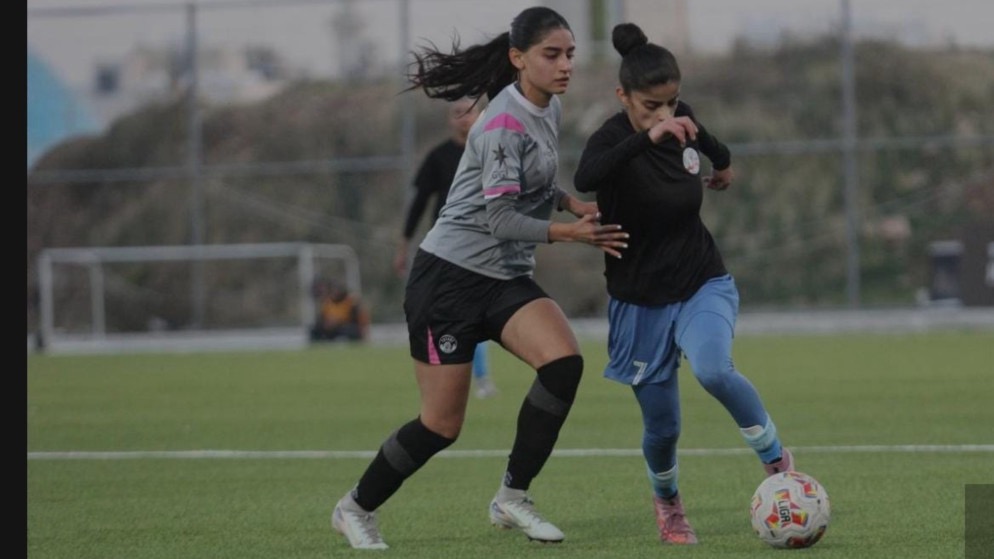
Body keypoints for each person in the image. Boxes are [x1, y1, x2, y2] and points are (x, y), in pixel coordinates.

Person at [331, 6, 629, 550]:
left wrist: (570, 203)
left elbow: (534, 179)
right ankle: (355, 507)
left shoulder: (550, 106)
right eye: (552, 54)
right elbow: (501, 220)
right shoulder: (501, 124)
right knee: (440, 426)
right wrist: (569, 233)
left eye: (569, 54)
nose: (566, 64)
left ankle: (512, 498)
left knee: (563, 364)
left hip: (502, 278)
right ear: (519, 58)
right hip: (447, 281)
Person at [573, 23, 794, 546]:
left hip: (701, 280)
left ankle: (778, 464)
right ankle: (668, 502)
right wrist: (645, 138)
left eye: (671, 103)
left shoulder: (683, 120)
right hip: (639, 301)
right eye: (651, 106)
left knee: (714, 370)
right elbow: (586, 177)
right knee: (663, 427)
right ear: (623, 96)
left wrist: (724, 167)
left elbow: (716, 146)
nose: (665, 115)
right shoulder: (611, 140)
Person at [393, 97, 498, 399]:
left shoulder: (492, 152)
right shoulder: (438, 157)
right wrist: (403, 244)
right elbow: (419, 203)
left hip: (487, 246)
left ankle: (479, 378)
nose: (464, 118)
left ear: (480, 115)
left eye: (469, 112)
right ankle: (461, 379)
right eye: (457, 113)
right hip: (448, 251)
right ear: (449, 120)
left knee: (476, 312)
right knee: (453, 313)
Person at [309, 278, 370, 343]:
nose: (334, 292)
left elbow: (359, 318)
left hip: (345, 326)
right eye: (332, 290)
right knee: (314, 330)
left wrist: (338, 322)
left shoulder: (350, 301)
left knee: (353, 331)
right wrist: (326, 324)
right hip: (331, 329)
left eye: (336, 290)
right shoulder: (327, 302)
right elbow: (322, 318)